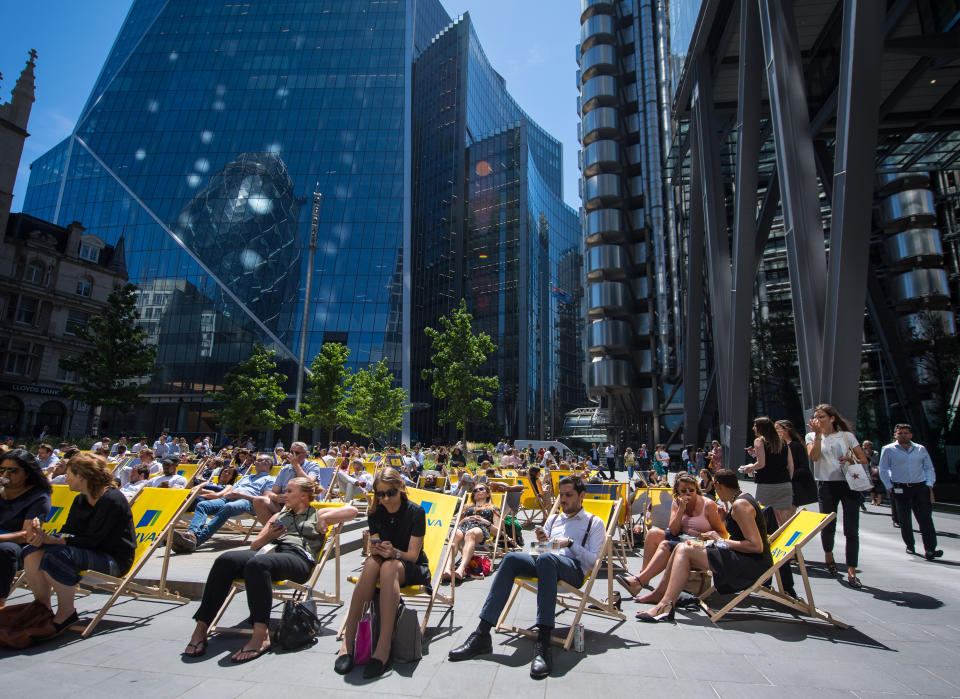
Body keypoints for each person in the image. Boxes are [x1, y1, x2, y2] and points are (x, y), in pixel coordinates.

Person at [183, 477, 356, 662]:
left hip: (298, 559)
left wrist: (325, 521)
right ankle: (201, 628)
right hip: (272, 551)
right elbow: (254, 545)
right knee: (225, 560)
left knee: (258, 565)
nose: (284, 495)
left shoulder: (318, 513)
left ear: (304, 496)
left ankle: (260, 635)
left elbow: (352, 510)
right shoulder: (278, 516)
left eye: (290, 491)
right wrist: (270, 536)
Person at [448, 475, 605, 679]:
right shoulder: (554, 518)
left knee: (547, 560)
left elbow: (595, 563)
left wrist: (571, 544)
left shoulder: (594, 522)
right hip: (546, 563)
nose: (563, 499)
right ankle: (482, 634)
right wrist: (544, 543)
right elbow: (536, 549)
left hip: (573, 570)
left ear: (582, 495)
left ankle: (544, 641)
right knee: (512, 558)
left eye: (569, 495)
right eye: (561, 495)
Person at [634, 468, 772, 622]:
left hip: (750, 565)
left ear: (718, 485)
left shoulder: (740, 505)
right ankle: (661, 597)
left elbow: (755, 546)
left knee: (685, 550)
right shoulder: (742, 500)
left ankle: (665, 604)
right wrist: (726, 520)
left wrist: (719, 540)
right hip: (742, 558)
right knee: (682, 547)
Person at [21, 453, 136, 634]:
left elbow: (94, 539)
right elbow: (69, 530)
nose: (66, 478)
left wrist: (55, 541)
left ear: (82, 477)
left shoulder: (112, 499)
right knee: (32, 550)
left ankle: (66, 612)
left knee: (56, 555)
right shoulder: (80, 499)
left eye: (69, 474)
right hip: (83, 553)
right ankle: (43, 608)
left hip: (112, 560)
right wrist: (41, 536)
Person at [336, 467, 430, 679]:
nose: (385, 498)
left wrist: (394, 552)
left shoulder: (416, 512)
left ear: (401, 489)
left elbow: (413, 555)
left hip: (412, 567)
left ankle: (383, 646)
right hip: (384, 564)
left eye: (390, 493)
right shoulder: (375, 513)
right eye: (380, 494)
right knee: (372, 563)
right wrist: (376, 549)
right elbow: (376, 546)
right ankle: (347, 642)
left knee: (388, 566)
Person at [615, 474, 726, 597]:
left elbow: (722, 533)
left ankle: (639, 581)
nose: (688, 493)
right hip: (682, 537)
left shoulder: (708, 505)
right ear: (677, 491)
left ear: (697, 489)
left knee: (665, 545)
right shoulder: (677, 503)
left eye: (691, 490)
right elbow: (673, 530)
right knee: (653, 533)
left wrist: (708, 536)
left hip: (699, 542)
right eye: (683, 491)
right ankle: (644, 576)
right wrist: (681, 509)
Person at [806, 403, 868, 589]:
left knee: (851, 529)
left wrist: (851, 460)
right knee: (827, 525)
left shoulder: (846, 436)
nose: (818, 420)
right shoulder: (811, 436)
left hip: (849, 483)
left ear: (832, 418)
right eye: (816, 417)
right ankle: (828, 555)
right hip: (826, 484)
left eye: (822, 416)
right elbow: (814, 457)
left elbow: (863, 459)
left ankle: (851, 570)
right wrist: (817, 436)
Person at [172, 457, 275, 553]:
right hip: (229, 498)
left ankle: (196, 541)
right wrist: (225, 494)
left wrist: (240, 494)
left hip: (247, 502)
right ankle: (192, 534)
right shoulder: (246, 477)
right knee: (203, 505)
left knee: (228, 507)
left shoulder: (270, 479)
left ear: (268, 463)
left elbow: (264, 499)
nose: (255, 462)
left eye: (259, 460)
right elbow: (231, 489)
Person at [878, 424, 942, 560]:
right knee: (904, 519)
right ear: (895, 435)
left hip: (920, 487)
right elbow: (883, 469)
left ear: (911, 435)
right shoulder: (888, 449)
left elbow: (928, 467)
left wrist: (929, 484)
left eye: (906, 433)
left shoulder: (920, 449)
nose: (903, 435)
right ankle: (910, 544)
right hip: (900, 488)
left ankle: (930, 549)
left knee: (925, 518)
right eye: (900, 433)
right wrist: (889, 486)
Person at [0, 450, 52, 609]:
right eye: (2, 470)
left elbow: (27, 535)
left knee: (4, 550)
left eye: (13, 470)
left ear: (27, 473)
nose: (5, 474)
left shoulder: (38, 497)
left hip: (16, 543)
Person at [742, 417, 794, 526]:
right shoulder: (783, 441)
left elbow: (761, 463)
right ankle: (786, 543)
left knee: (763, 516)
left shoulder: (759, 441)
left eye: (755, 426)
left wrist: (749, 468)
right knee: (785, 522)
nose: (753, 428)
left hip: (766, 484)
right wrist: (788, 479)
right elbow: (791, 465)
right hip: (785, 484)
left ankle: (768, 541)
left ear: (761, 428)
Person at [443, 484, 500, 584]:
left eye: (481, 489)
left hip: (481, 528)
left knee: (471, 533)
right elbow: (457, 525)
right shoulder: (466, 507)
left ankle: (461, 569)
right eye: (475, 490)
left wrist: (485, 522)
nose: (477, 491)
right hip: (464, 526)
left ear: (487, 494)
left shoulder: (493, 508)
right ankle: (447, 568)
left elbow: (498, 531)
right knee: (455, 534)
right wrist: (464, 519)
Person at [254, 442, 322, 521]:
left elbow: (309, 482)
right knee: (258, 500)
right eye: (291, 452)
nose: (292, 455)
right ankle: (275, 530)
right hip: (284, 503)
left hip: (305, 501)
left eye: (296, 453)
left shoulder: (312, 466)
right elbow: (274, 491)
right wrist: (276, 497)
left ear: (305, 454)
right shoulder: (285, 469)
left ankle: (282, 527)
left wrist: (295, 465)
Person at [775, 420, 817, 509]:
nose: (774, 431)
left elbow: (804, 468)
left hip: (793, 487)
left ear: (786, 430)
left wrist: (787, 475)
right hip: (780, 486)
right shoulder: (777, 446)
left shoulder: (796, 446)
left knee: (787, 517)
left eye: (777, 429)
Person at [863, 440, 881, 508]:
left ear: (870, 446)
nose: (865, 447)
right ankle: (873, 499)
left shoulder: (875, 453)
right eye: (864, 446)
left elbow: (876, 461)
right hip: (866, 470)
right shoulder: (862, 453)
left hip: (874, 470)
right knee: (871, 485)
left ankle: (879, 499)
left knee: (877, 485)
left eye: (866, 445)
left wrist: (869, 456)